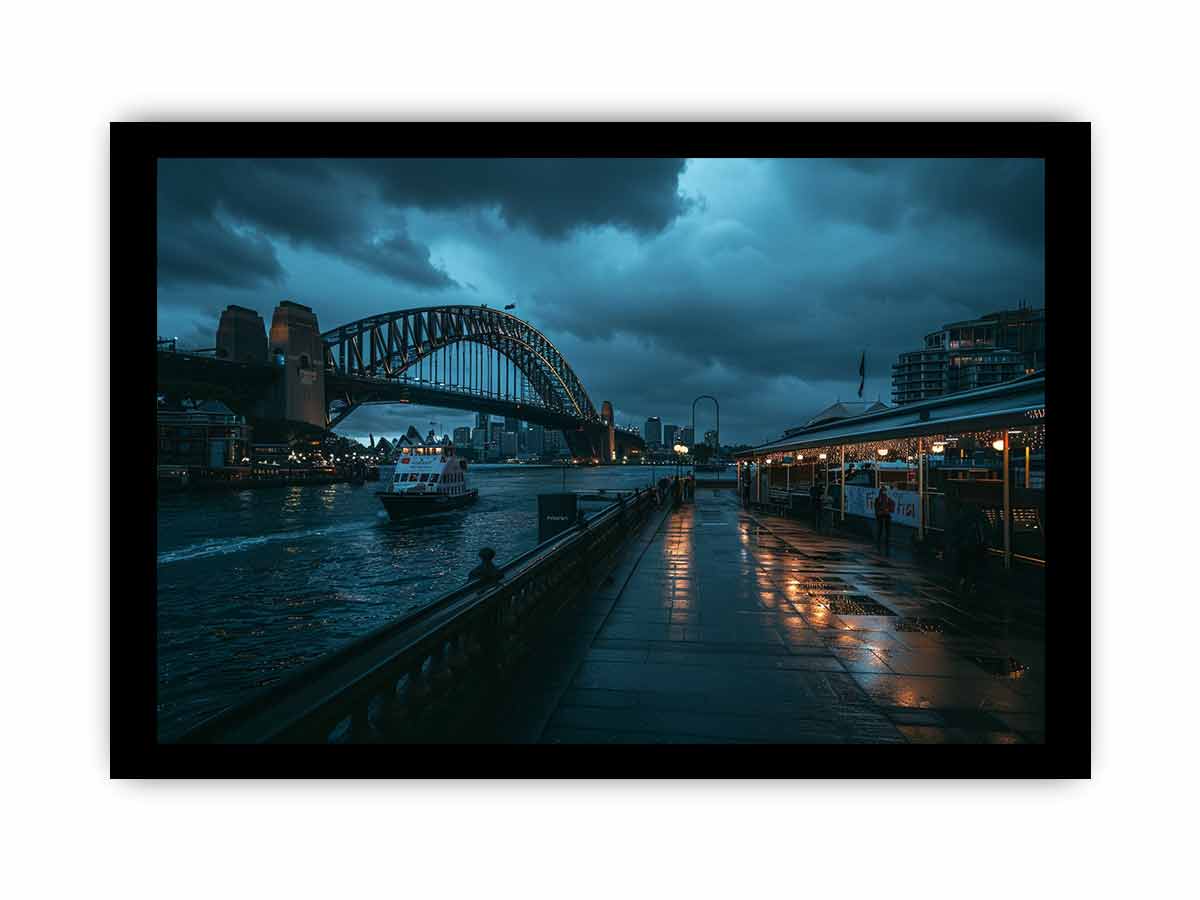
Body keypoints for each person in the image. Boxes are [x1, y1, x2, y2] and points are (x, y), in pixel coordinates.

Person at [874, 485, 894, 554]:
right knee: (881, 529)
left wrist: (887, 510)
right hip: (881, 516)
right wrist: (880, 512)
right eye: (883, 491)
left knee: (885, 529)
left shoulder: (888, 499)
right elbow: (876, 508)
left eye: (885, 491)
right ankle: (881, 541)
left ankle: (885, 541)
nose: (884, 492)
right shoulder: (879, 499)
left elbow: (892, 508)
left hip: (885, 515)